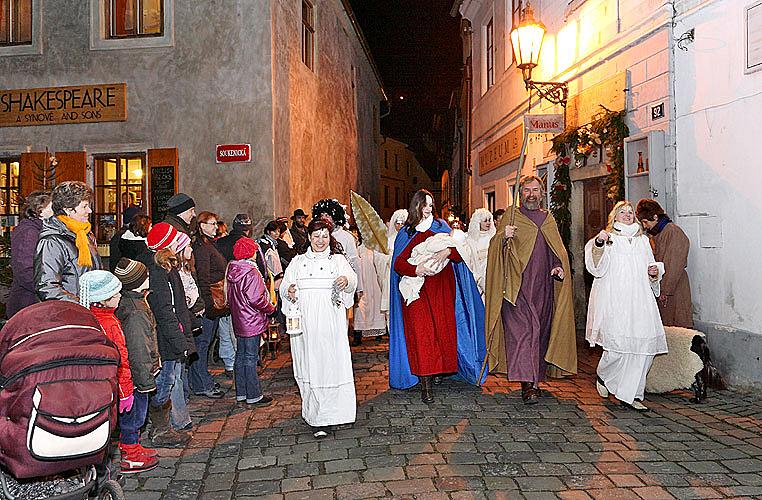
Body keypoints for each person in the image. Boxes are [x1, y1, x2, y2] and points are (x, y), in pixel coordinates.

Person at [484, 176, 576, 404]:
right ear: (520, 194)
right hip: (516, 289)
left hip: (542, 289)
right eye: (527, 190)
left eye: (535, 190)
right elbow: (495, 249)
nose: (531, 194)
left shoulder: (548, 219)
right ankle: (528, 385)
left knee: (539, 334)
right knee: (524, 335)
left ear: (542, 193)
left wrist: (557, 267)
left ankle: (534, 381)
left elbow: (557, 250)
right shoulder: (511, 217)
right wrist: (503, 238)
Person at [389, 190, 486, 403]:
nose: (427, 209)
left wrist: (446, 252)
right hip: (417, 293)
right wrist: (417, 269)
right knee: (422, 335)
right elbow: (398, 264)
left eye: (431, 205)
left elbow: (461, 254)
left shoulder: (442, 227)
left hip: (442, 289)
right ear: (415, 206)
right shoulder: (407, 232)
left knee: (442, 333)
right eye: (424, 204)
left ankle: (438, 371)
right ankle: (426, 384)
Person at [585, 201, 667, 412]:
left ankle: (632, 394)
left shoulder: (643, 241)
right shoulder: (609, 238)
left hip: (640, 300)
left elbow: (652, 265)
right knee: (617, 348)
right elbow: (596, 267)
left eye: (631, 212)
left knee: (644, 348)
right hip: (616, 300)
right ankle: (604, 376)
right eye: (623, 212)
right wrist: (599, 244)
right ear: (614, 216)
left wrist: (654, 272)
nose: (628, 215)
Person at [280, 218, 358, 439]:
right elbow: (285, 286)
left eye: (325, 235)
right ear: (309, 238)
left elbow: (352, 279)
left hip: (330, 324)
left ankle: (335, 414)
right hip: (307, 325)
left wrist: (345, 280)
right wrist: (290, 291)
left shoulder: (338, 260)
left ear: (329, 237)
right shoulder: (298, 261)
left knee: (331, 366)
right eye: (316, 236)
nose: (321, 240)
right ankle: (317, 418)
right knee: (311, 366)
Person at [78, 270, 158, 474]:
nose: (120, 297)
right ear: (103, 300)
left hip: (107, 384)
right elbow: (119, 357)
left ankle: (132, 447)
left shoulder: (96, 316)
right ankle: (130, 456)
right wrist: (125, 391)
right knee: (131, 419)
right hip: (120, 383)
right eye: (115, 295)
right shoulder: (108, 323)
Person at [144, 222, 195, 443]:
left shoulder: (168, 269)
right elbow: (165, 311)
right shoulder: (158, 273)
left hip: (175, 334)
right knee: (166, 382)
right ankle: (161, 430)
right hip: (167, 339)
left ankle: (167, 426)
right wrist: (179, 341)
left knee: (172, 379)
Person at [114, 258, 162, 468]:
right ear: (138, 281)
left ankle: (134, 445)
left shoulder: (136, 301)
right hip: (137, 374)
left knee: (136, 416)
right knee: (134, 416)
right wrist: (146, 381)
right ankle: (130, 453)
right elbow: (138, 348)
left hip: (138, 371)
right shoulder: (135, 312)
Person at [227, 237, 276, 405]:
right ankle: (254, 395)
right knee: (250, 357)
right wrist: (270, 308)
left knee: (240, 356)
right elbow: (256, 298)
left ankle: (241, 392)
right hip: (251, 319)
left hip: (239, 319)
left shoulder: (233, 269)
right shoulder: (251, 272)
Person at [35, 181, 101, 302]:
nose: (90, 211)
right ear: (67, 209)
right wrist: (81, 304)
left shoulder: (85, 233)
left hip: (88, 311)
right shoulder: (52, 242)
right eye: (84, 206)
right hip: (68, 314)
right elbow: (47, 287)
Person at [636, 199, 694, 328]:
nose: (645, 226)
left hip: (673, 287)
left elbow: (674, 264)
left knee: (678, 325)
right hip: (662, 285)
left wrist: (665, 290)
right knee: (666, 325)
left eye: (645, 221)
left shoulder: (673, 232)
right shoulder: (657, 234)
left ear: (655, 217)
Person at [190, 211, 229, 396]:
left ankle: (199, 383)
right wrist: (208, 305)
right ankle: (203, 384)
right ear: (202, 225)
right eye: (212, 224)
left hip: (212, 302)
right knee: (202, 344)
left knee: (204, 343)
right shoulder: (202, 247)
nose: (215, 227)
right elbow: (203, 277)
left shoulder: (208, 244)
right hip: (208, 303)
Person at [7, 191, 52, 317]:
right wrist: (48, 291)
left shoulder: (39, 229)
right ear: (40, 210)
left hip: (34, 302)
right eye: (52, 206)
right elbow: (25, 270)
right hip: (27, 303)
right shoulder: (29, 231)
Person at [352, 232, 387, 346]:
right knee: (361, 307)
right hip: (362, 281)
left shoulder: (376, 249)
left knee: (377, 305)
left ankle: (379, 332)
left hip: (375, 281)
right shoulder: (358, 249)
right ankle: (358, 334)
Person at [379, 209, 408, 322]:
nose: (400, 226)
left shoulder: (409, 239)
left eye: (402, 223)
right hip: (391, 276)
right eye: (397, 223)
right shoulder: (389, 240)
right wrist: (388, 259)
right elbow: (381, 257)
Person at [465, 208, 496, 297]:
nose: (488, 223)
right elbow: (471, 261)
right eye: (485, 221)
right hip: (478, 275)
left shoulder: (494, 238)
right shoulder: (470, 240)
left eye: (489, 220)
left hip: (493, 273)